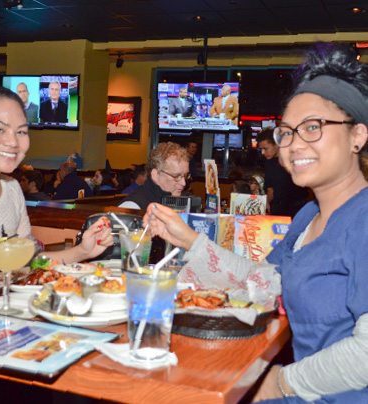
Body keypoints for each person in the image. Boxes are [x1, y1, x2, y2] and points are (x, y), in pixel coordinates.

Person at [144, 42, 368, 403]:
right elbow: (264, 279)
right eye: (287, 132)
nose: (294, 144)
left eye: (313, 127)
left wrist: (278, 381)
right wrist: (189, 240)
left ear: (357, 135)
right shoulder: (308, 216)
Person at [0, 86, 112, 301]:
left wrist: (83, 251)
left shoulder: (12, 190)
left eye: (21, 131)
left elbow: (30, 261)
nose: (13, 142)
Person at [119, 142, 190, 210]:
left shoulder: (187, 201)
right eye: (176, 176)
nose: (184, 183)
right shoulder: (132, 208)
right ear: (155, 175)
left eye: (186, 176)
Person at [257, 128, 308, 217]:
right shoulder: (269, 163)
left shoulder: (295, 158)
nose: (262, 152)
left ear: (277, 144)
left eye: (265, 148)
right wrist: (264, 203)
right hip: (278, 209)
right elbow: (270, 190)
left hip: (298, 209)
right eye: (261, 149)